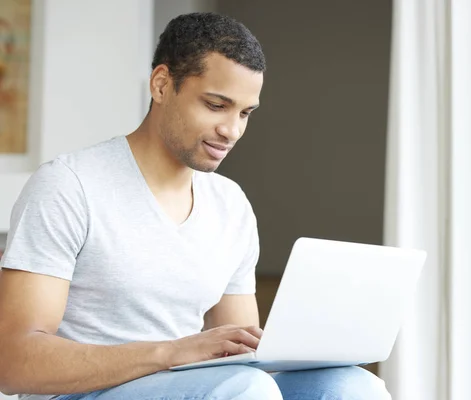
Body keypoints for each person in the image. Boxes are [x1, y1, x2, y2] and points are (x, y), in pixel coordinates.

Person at [0, 12, 391, 400]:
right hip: (83, 394)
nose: (232, 130)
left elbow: (241, 352)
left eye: (244, 113)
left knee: (353, 386)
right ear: (161, 85)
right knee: (243, 389)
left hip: (190, 387)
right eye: (216, 105)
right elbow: (13, 362)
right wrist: (169, 353)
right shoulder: (69, 186)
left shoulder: (230, 205)